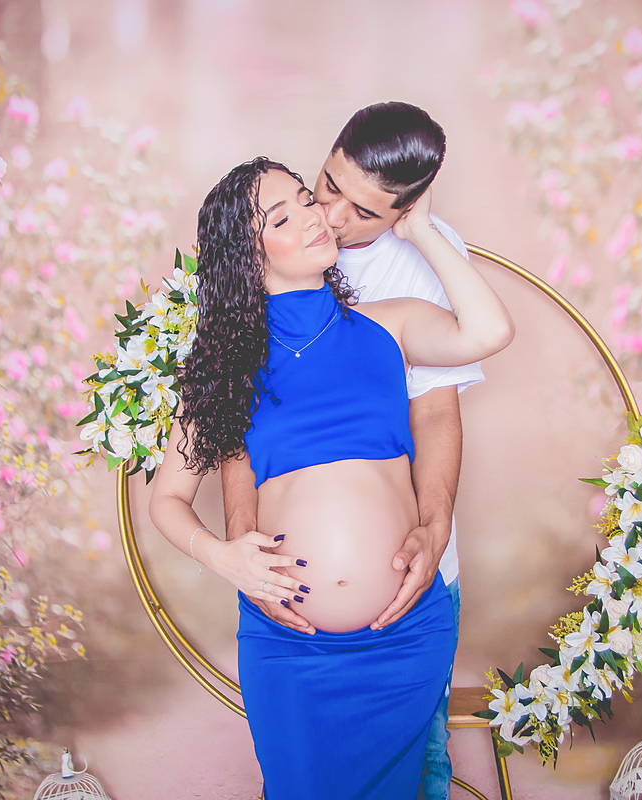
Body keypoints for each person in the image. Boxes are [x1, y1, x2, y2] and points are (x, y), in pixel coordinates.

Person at [148, 156, 512, 799]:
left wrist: (421, 229)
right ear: (247, 256)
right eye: (281, 218)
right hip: (290, 650)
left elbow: (491, 330)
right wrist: (223, 558)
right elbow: (167, 499)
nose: (313, 216)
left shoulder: (388, 324)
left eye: (304, 199)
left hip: (405, 635)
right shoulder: (226, 366)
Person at [219, 102, 480, 799]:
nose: (331, 216)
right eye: (326, 186)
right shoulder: (268, 252)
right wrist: (240, 536)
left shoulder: (420, 267)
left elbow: (437, 414)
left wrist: (435, 527)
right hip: (292, 623)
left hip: (408, 594)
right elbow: (240, 431)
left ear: (405, 209)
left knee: (422, 770)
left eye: (363, 211)